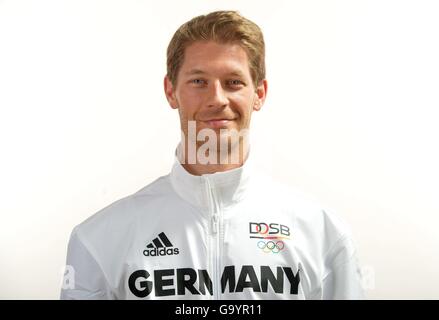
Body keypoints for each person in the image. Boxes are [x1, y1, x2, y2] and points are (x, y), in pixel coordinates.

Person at [60, 10, 365, 300]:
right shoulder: (100, 240)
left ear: (258, 93)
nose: (217, 99)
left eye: (233, 82)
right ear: (171, 91)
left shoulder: (323, 235)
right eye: (198, 81)